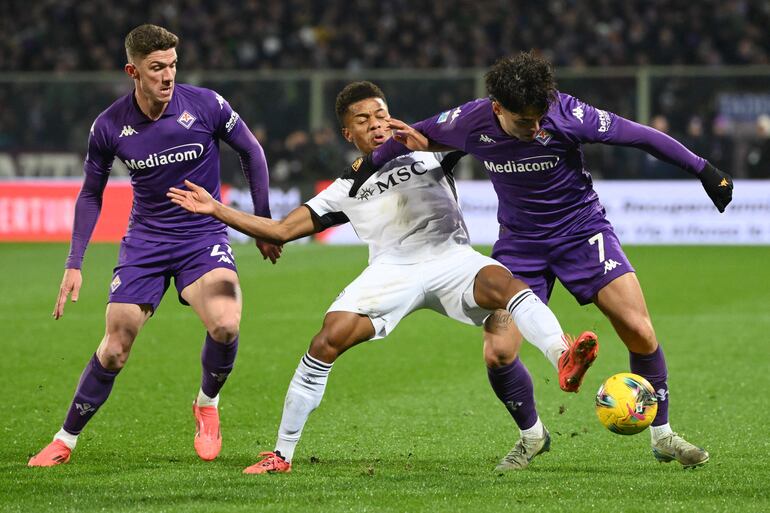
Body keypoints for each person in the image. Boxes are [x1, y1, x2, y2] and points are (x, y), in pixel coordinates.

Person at [168, 81, 598, 473]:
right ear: (347, 133)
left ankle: (563, 355)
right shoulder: (346, 187)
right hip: (393, 270)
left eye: (380, 114)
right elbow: (281, 230)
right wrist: (217, 210)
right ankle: (282, 455)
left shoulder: (429, 148)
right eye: (364, 120)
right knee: (327, 339)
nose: (376, 125)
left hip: (450, 256)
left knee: (504, 285)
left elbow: (482, 130)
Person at [363, 51, 734, 469]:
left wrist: (704, 169)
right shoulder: (468, 120)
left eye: (540, 118)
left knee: (638, 330)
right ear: (497, 109)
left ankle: (663, 436)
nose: (536, 127)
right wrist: (358, 170)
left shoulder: (567, 112)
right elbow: (411, 138)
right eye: (525, 121)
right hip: (520, 244)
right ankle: (532, 436)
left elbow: (640, 136)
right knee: (497, 353)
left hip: (582, 231)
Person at [28, 24, 279, 467]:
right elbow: (91, 193)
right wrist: (74, 262)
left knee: (225, 323)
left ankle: (206, 404)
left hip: (202, 238)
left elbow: (251, 151)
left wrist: (260, 222)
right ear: (133, 71)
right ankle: (65, 439)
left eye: (173, 66)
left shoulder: (205, 104)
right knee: (116, 344)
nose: (167, 77)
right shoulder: (109, 125)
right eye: (156, 68)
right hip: (145, 242)